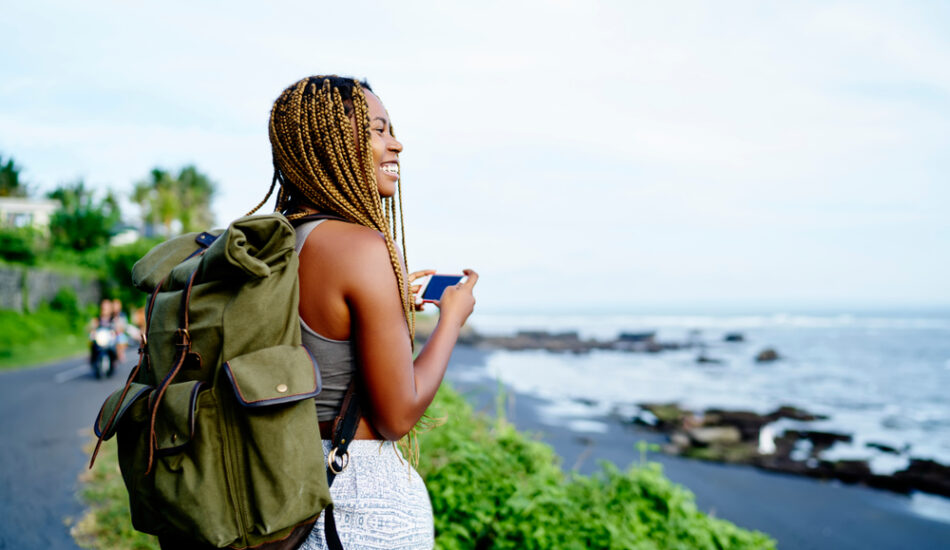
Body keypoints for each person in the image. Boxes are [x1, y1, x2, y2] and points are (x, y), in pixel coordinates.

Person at [250, 75, 478, 549]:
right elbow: (397, 416)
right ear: (328, 144)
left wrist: (388, 310)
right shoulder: (361, 248)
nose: (396, 143)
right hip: (358, 506)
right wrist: (451, 318)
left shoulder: (271, 242)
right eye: (377, 130)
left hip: (278, 494)